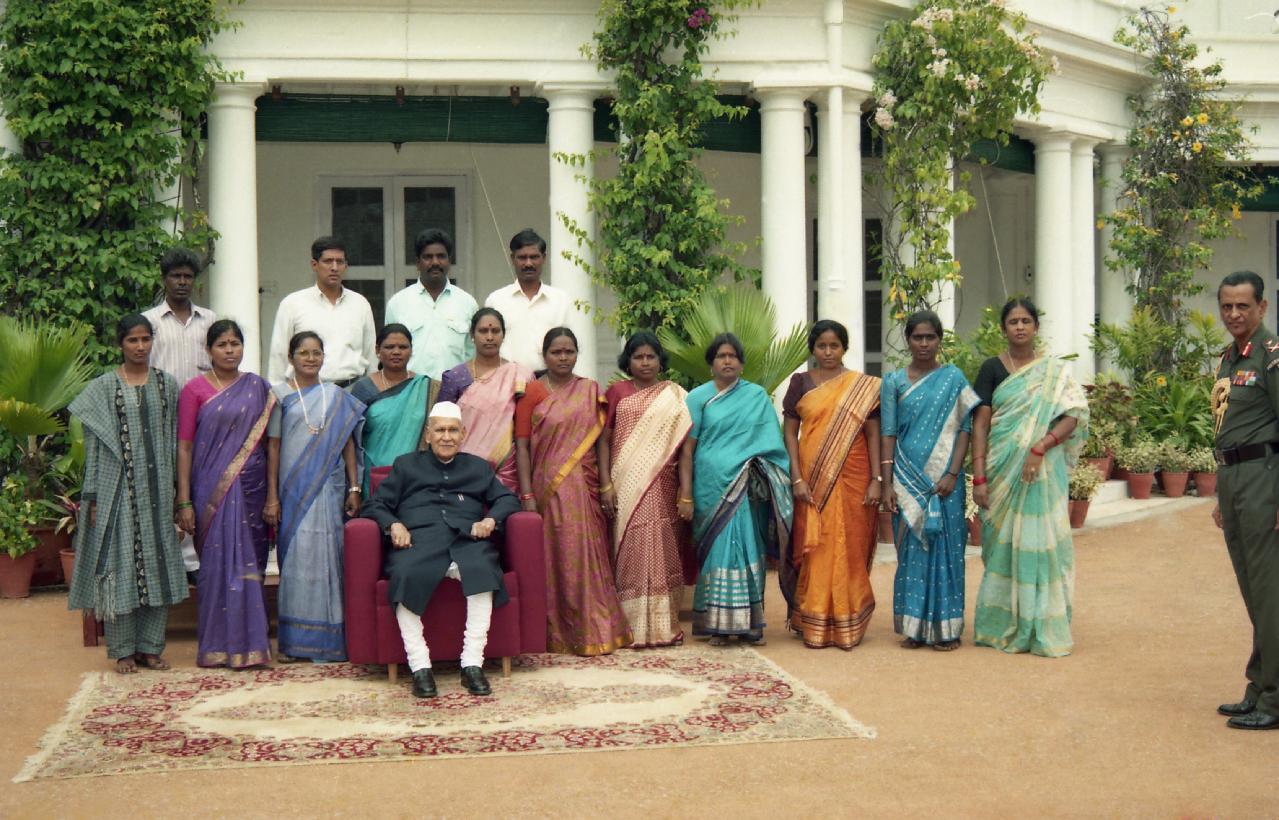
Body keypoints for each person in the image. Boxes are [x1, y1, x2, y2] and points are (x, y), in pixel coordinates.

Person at [362, 401, 520, 698]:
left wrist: (490, 520)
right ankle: (420, 666)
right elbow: (376, 504)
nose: (446, 437)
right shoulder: (406, 465)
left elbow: (507, 499)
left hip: (466, 542)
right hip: (418, 543)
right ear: (427, 434)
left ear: (463, 434)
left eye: (453, 431)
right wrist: (393, 525)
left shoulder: (478, 467)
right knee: (405, 574)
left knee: (483, 571)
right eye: (440, 430)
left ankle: (472, 664)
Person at [67, 314, 187, 674]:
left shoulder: (168, 385)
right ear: (120, 344)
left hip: (158, 492)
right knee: (120, 568)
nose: (140, 346)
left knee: (157, 566)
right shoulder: (103, 387)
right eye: (132, 340)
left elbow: (173, 440)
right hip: (118, 493)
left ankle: (151, 648)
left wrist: (178, 494)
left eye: (145, 339)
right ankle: (122, 651)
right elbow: (95, 447)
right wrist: (93, 498)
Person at [970, 297, 1087, 658]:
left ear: (1036, 327)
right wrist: (979, 476)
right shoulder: (991, 368)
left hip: (1042, 473)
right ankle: (1002, 623)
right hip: (1001, 469)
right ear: (1003, 329)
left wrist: (1041, 446)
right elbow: (981, 424)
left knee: (1043, 543)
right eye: (1013, 322)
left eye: (1025, 321)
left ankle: (1042, 624)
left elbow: (1073, 415)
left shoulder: (1053, 371)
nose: (1019, 327)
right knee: (1000, 545)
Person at [515, 327, 632, 655]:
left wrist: (606, 484)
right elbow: (521, 447)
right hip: (548, 490)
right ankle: (560, 634)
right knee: (557, 559)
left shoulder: (590, 390)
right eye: (556, 352)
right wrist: (526, 495)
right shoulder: (532, 393)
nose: (563, 358)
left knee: (587, 556)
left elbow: (601, 443)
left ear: (577, 354)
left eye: (569, 352)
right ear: (544, 355)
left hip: (585, 486)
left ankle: (595, 629)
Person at [678, 333, 792, 646]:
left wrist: (764, 471)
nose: (727, 361)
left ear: (741, 363)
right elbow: (687, 451)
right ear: (711, 363)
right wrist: (685, 494)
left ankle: (750, 625)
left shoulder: (756, 397)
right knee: (717, 551)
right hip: (710, 488)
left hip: (746, 487)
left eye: (733, 356)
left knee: (746, 549)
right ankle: (718, 625)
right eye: (721, 356)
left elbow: (772, 444)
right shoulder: (697, 398)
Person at [176, 320, 275, 668]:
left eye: (235, 343)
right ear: (209, 350)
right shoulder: (194, 390)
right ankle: (217, 645)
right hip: (210, 492)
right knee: (216, 568)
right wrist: (184, 500)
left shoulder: (258, 388)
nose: (230, 350)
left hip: (252, 488)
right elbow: (184, 447)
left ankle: (252, 645)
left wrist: (272, 495)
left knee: (250, 565)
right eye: (222, 344)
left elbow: (270, 444)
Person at [780, 320, 882, 650]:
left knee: (850, 545)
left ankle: (847, 619)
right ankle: (814, 619)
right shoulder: (800, 383)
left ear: (844, 348)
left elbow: (872, 434)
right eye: (821, 346)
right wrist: (796, 477)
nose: (828, 352)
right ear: (813, 348)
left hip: (855, 476)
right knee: (817, 544)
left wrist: (876, 480)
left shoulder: (862, 387)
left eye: (834, 346)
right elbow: (790, 434)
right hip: (812, 478)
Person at [264, 331, 366, 662]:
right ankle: (294, 643)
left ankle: (330, 641)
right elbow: (273, 447)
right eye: (303, 353)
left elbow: (348, 444)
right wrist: (272, 497)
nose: (310, 359)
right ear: (290, 357)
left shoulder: (336, 395)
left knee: (329, 560)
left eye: (316, 353)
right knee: (296, 560)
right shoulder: (279, 395)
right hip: (292, 491)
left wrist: (354, 487)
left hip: (330, 489)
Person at [881, 311, 979, 651]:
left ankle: (946, 629)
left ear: (939, 340)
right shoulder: (893, 382)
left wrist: (952, 473)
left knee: (948, 551)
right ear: (907, 340)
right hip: (907, 480)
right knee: (911, 552)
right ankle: (915, 628)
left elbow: (965, 429)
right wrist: (886, 481)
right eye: (917, 337)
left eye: (930, 337)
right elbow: (888, 433)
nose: (924, 344)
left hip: (945, 483)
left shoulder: (954, 378)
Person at [1210, 270, 1279, 730]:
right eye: (1227, 306)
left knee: (1270, 593)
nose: (1234, 314)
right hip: (1235, 478)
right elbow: (1226, 428)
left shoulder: (1272, 358)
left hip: (1263, 479)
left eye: (1243, 306)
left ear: (1262, 307)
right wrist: (1221, 492)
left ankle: (1274, 699)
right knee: (1254, 591)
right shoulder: (1228, 359)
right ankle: (1259, 686)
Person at [597, 332, 693, 648]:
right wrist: (606, 484)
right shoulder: (616, 393)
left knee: (662, 547)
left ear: (660, 361)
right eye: (638, 357)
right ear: (628, 361)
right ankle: (629, 626)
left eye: (651, 356)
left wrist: (686, 492)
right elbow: (603, 441)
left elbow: (685, 450)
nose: (645, 362)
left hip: (664, 483)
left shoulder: (675, 395)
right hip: (624, 484)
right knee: (630, 547)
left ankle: (664, 626)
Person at [143, 246, 217, 581]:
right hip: (163, 416)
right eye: (176, 276)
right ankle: (167, 560)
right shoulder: (150, 322)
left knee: (198, 483)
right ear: (164, 279)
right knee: (167, 485)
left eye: (188, 276)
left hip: (204, 417)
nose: (183, 282)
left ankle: (195, 560)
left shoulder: (210, 321)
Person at [438, 308, 533, 491]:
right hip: (463, 469)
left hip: (508, 469)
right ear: (472, 335)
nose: (489, 337)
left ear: (503, 335)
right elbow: (442, 427)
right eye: (483, 331)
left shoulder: (519, 375)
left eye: (495, 331)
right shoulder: (456, 377)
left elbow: (527, 428)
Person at [267, 236, 376, 387]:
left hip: (352, 390)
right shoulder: (293, 304)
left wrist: (372, 392)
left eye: (340, 262)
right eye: (328, 261)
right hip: (307, 390)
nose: (334, 267)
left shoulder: (360, 304)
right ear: (314, 264)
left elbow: (370, 354)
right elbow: (279, 355)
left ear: (346, 266)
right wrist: (277, 392)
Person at [349, 324, 440, 496]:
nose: (396, 352)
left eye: (403, 347)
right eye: (389, 347)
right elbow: (351, 439)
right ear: (377, 350)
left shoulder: (427, 387)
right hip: (374, 475)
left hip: (416, 477)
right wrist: (354, 487)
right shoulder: (364, 388)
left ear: (411, 350)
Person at [384, 228, 479, 379]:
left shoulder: (467, 303)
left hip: (457, 390)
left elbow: (473, 355)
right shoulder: (398, 303)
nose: (435, 262)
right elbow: (388, 354)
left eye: (441, 256)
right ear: (417, 263)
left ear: (449, 261)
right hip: (410, 389)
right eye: (428, 257)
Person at [483, 229, 572, 372]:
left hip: (550, 379)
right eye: (522, 258)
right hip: (507, 379)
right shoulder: (496, 300)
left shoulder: (560, 300)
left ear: (544, 258)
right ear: (513, 259)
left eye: (534, 257)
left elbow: (570, 346)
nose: (528, 263)